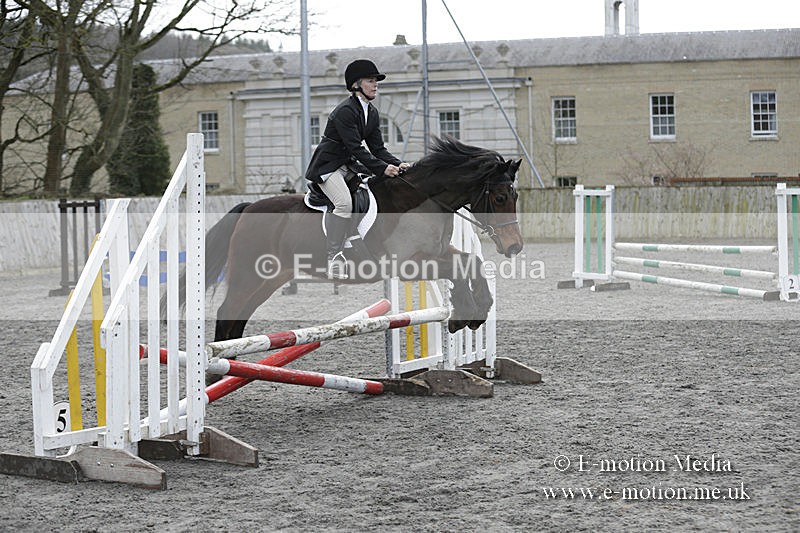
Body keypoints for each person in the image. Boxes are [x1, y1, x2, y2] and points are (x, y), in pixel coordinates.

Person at [305, 59, 410, 280]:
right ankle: (333, 257)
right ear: (356, 84)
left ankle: (356, 240)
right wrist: (382, 169)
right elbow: (355, 147)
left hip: (348, 165)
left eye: (376, 81)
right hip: (328, 166)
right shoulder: (345, 111)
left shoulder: (371, 112)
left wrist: (398, 164)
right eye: (370, 81)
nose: (375, 85)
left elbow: (378, 149)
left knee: (370, 193)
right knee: (344, 202)